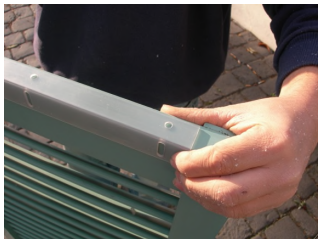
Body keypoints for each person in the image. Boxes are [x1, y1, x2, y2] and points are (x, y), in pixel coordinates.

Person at [33, 4, 318, 218]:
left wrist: (305, 104)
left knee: (155, 195)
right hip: (74, 83)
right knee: (89, 187)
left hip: (171, 90)